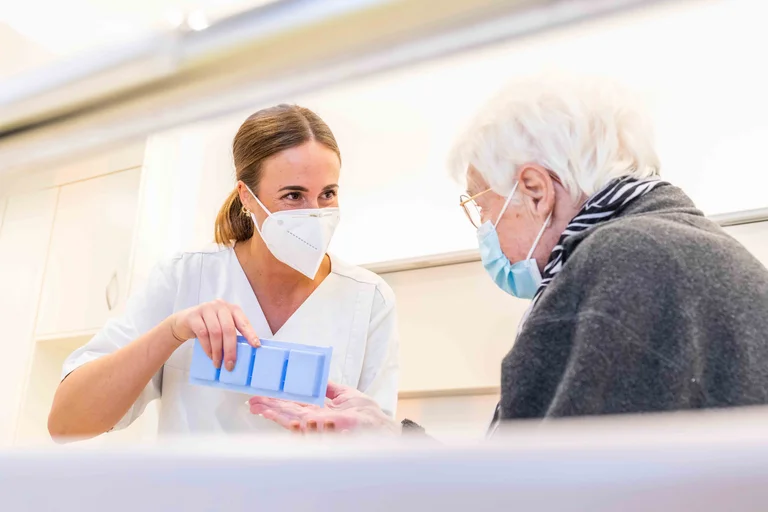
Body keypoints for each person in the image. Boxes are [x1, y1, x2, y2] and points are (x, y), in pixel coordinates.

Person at [249, 76, 768, 435]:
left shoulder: (626, 264)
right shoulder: (683, 248)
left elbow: (539, 492)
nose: (484, 231)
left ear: (536, 190)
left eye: (482, 204)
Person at [48, 105, 399, 439]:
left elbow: (379, 445)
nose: (315, 212)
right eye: (293, 195)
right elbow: (66, 422)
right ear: (246, 197)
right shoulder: (186, 276)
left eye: (328, 194)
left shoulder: (368, 299)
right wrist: (172, 332)